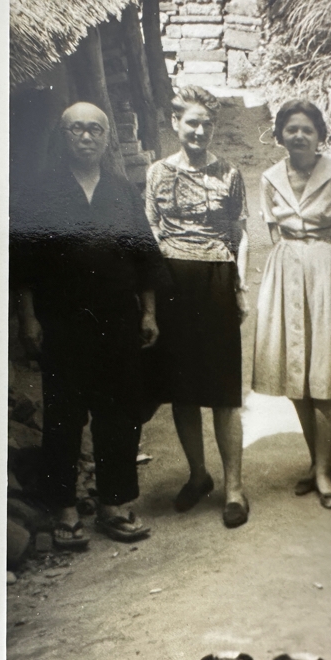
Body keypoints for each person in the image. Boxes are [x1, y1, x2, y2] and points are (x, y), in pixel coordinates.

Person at [11, 102, 169, 549]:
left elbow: (144, 257)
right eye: (76, 130)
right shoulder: (40, 193)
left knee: (118, 413)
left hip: (117, 321)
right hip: (62, 323)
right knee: (63, 416)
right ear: (63, 137)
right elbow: (23, 265)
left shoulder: (121, 191)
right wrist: (28, 319)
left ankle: (114, 505)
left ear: (105, 139)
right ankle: (63, 508)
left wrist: (149, 312)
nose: (85, 137)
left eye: (94, 130)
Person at [253, 100, 331, 510]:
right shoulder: (270, 178)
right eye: (291, 129)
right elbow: (274, 232)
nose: (299, 136)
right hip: (285, 274)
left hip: (327, 273)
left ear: (320, 134)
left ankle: (324, 471)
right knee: (295, 372)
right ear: (280, 135)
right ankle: (315, 461)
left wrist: (325, 263)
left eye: (307, 129)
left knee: (324, 372)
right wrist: (294, 264)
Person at [144, 86, 250, 528]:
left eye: (207, 123)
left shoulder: (229, 173)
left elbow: (241, 234)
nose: (200, 130)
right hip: (172, 283)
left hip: (216, 280)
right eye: (192, 122)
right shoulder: (156, 173)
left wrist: (240, 286)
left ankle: (235, 488)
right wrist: (149, 302)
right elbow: (149, 235)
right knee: (183, 393)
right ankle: (198, 475)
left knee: (224, 394)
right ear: (176, 124)